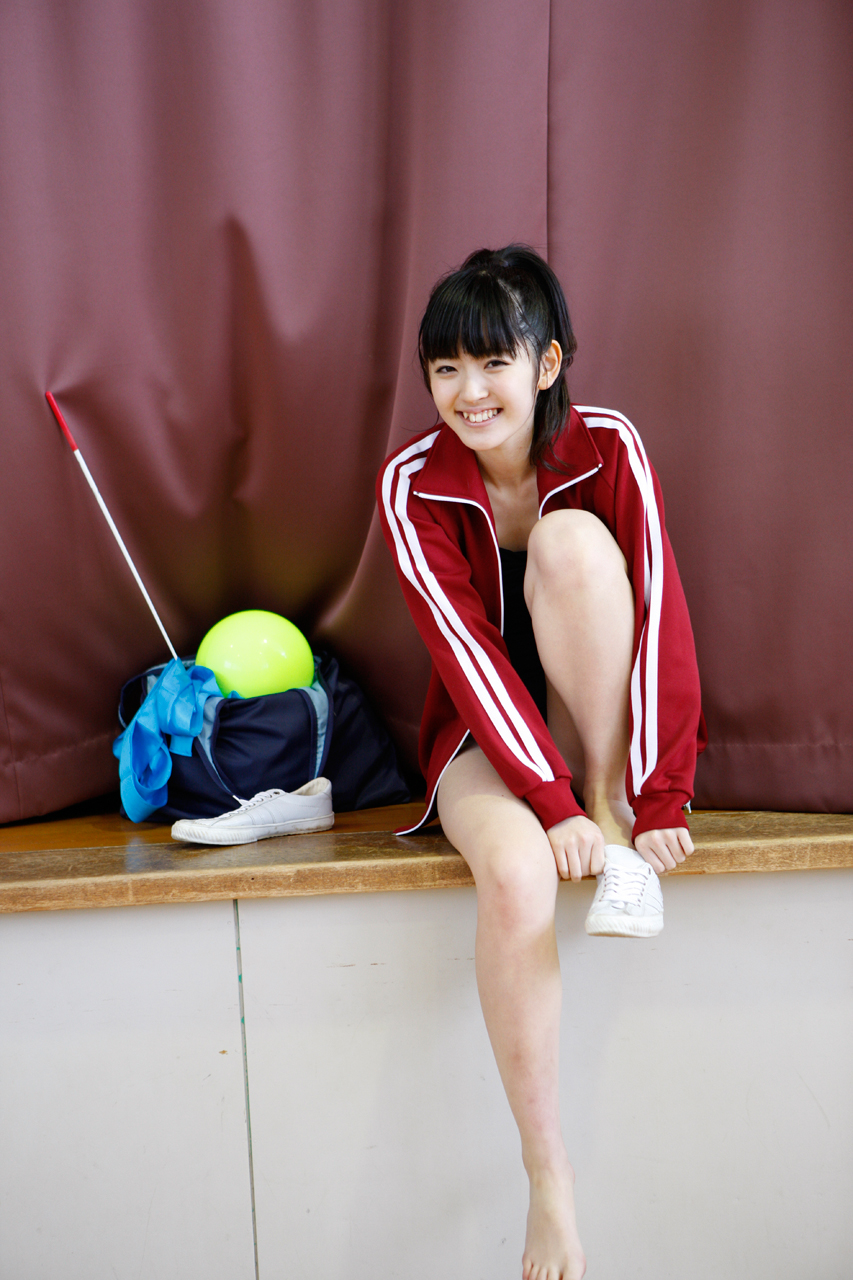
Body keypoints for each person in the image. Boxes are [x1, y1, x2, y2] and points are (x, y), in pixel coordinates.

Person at [376, 245, 704, 1280]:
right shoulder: (412, 484)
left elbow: (659, 610)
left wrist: (649, 795)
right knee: (517, 878)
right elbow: (466, 657)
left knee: (568, 545)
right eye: (445, 370)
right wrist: (541, 802)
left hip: (590, 738)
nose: (468, 392)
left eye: (492, 363)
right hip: (484, 736)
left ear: (546, 362)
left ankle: (612, 816)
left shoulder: (608, 446)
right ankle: (547, 1171)